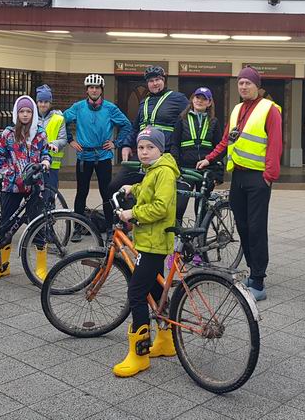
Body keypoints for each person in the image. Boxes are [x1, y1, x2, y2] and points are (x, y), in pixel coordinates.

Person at [197, 66, 282, 302]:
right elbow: (227, 140)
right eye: (240, 83)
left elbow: (275, 144)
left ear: (257, 86)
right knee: (242, 226)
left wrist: (269, 176)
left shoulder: (269, 109)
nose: (244, 86)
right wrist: (210, 158)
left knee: (256, 228)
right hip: (239, 177)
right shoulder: (237, 109)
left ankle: (259, 280)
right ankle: (252, 272)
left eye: (248, 83)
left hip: (258, 178)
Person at [112, 127, 180, 378]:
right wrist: (133, 188)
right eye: (141, 147)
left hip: (154, 243)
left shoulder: (163, 173)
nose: (144, 152)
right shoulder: (154, 171)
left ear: (160, 150)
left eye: (150, 147)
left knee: (136, 294)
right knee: (154, 291)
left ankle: (139, 355)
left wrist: (133, 213)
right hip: (151, 241)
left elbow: (160, 206)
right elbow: (148, 190)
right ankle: (166, 341)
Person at [0, 95, 52, 281]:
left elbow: (46, 153)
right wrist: (11, 174)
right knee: (6, 224)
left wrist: (46, 162)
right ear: (16, 113)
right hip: (11, 187)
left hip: (35, 186)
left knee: (38, 224)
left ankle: (41, 267)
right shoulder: (7, 134)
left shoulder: (40, 133)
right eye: (22, 111)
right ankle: (1, 266)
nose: (25, 115)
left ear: (33, 113)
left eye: (28, 111)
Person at [108, 66, 188, 208]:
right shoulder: (144, 102)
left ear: (164, 80)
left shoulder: (178, 98)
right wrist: (126, 145)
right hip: (142, 153)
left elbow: (188, 123)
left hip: (164, 154)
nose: (154, 83)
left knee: (164, 195)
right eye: (151, 81)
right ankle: (131, 218)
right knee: (114, 186)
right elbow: (135, 127)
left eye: (157, 80)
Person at [63, 74, 132, 227]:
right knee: (81, 192)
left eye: (97, 87)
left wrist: (116, 143)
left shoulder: (110, 108)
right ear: (87, 90)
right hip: (84, 156)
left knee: (106, 193)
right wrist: (70, 140)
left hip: (103, 156)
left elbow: (127, 125)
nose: (94, 90)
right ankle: (78, 227)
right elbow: (62, 120)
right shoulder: (78, 107)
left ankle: (109, 227)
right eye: (91, 87)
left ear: (101, 90)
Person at [170, 87, 222, 215]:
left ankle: (200, 235)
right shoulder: (181, 119)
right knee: (179, 207)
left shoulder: (214, 122)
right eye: (197, 97)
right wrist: (176, 166)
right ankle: (178, 235)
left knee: (201, 210)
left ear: (209, 103)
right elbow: (174, 144)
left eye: (204, 99)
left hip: (206, 170)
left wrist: (218, 172)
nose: (200, 101)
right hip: (186, 170)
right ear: (192, 99)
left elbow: (219, 147)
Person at [34, 84, 67, 194]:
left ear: (50, 102)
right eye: (40, 101)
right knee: (34, 195)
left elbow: (63, 139)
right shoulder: (31, 118)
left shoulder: (58, 118)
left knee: (50, 195)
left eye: (46, 102)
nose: (43, 104)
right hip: (33, 163)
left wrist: (52, 144)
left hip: (52, 166)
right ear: (37, 102)